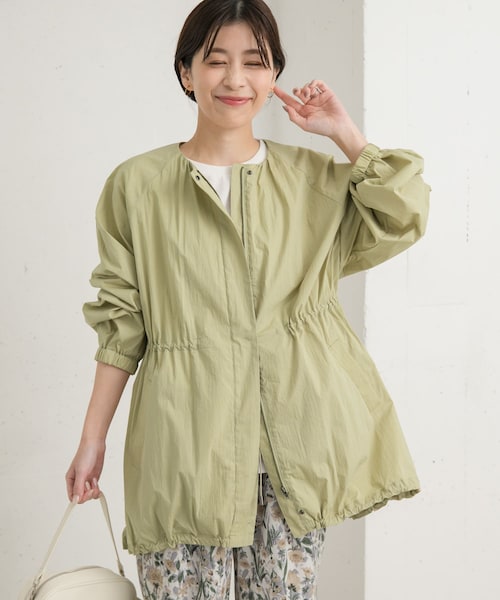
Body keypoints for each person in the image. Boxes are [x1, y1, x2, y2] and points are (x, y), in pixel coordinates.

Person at [65, 0, 430, 598]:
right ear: (186, 72)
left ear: (274, 75)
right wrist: (92, 439)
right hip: (184, 450)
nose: (235, 79)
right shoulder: (137, 185)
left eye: (255, 62)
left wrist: (344, 133)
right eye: (216, 61)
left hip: (292, 456)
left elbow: (405, 214)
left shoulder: (313, 180)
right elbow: (121, 325)